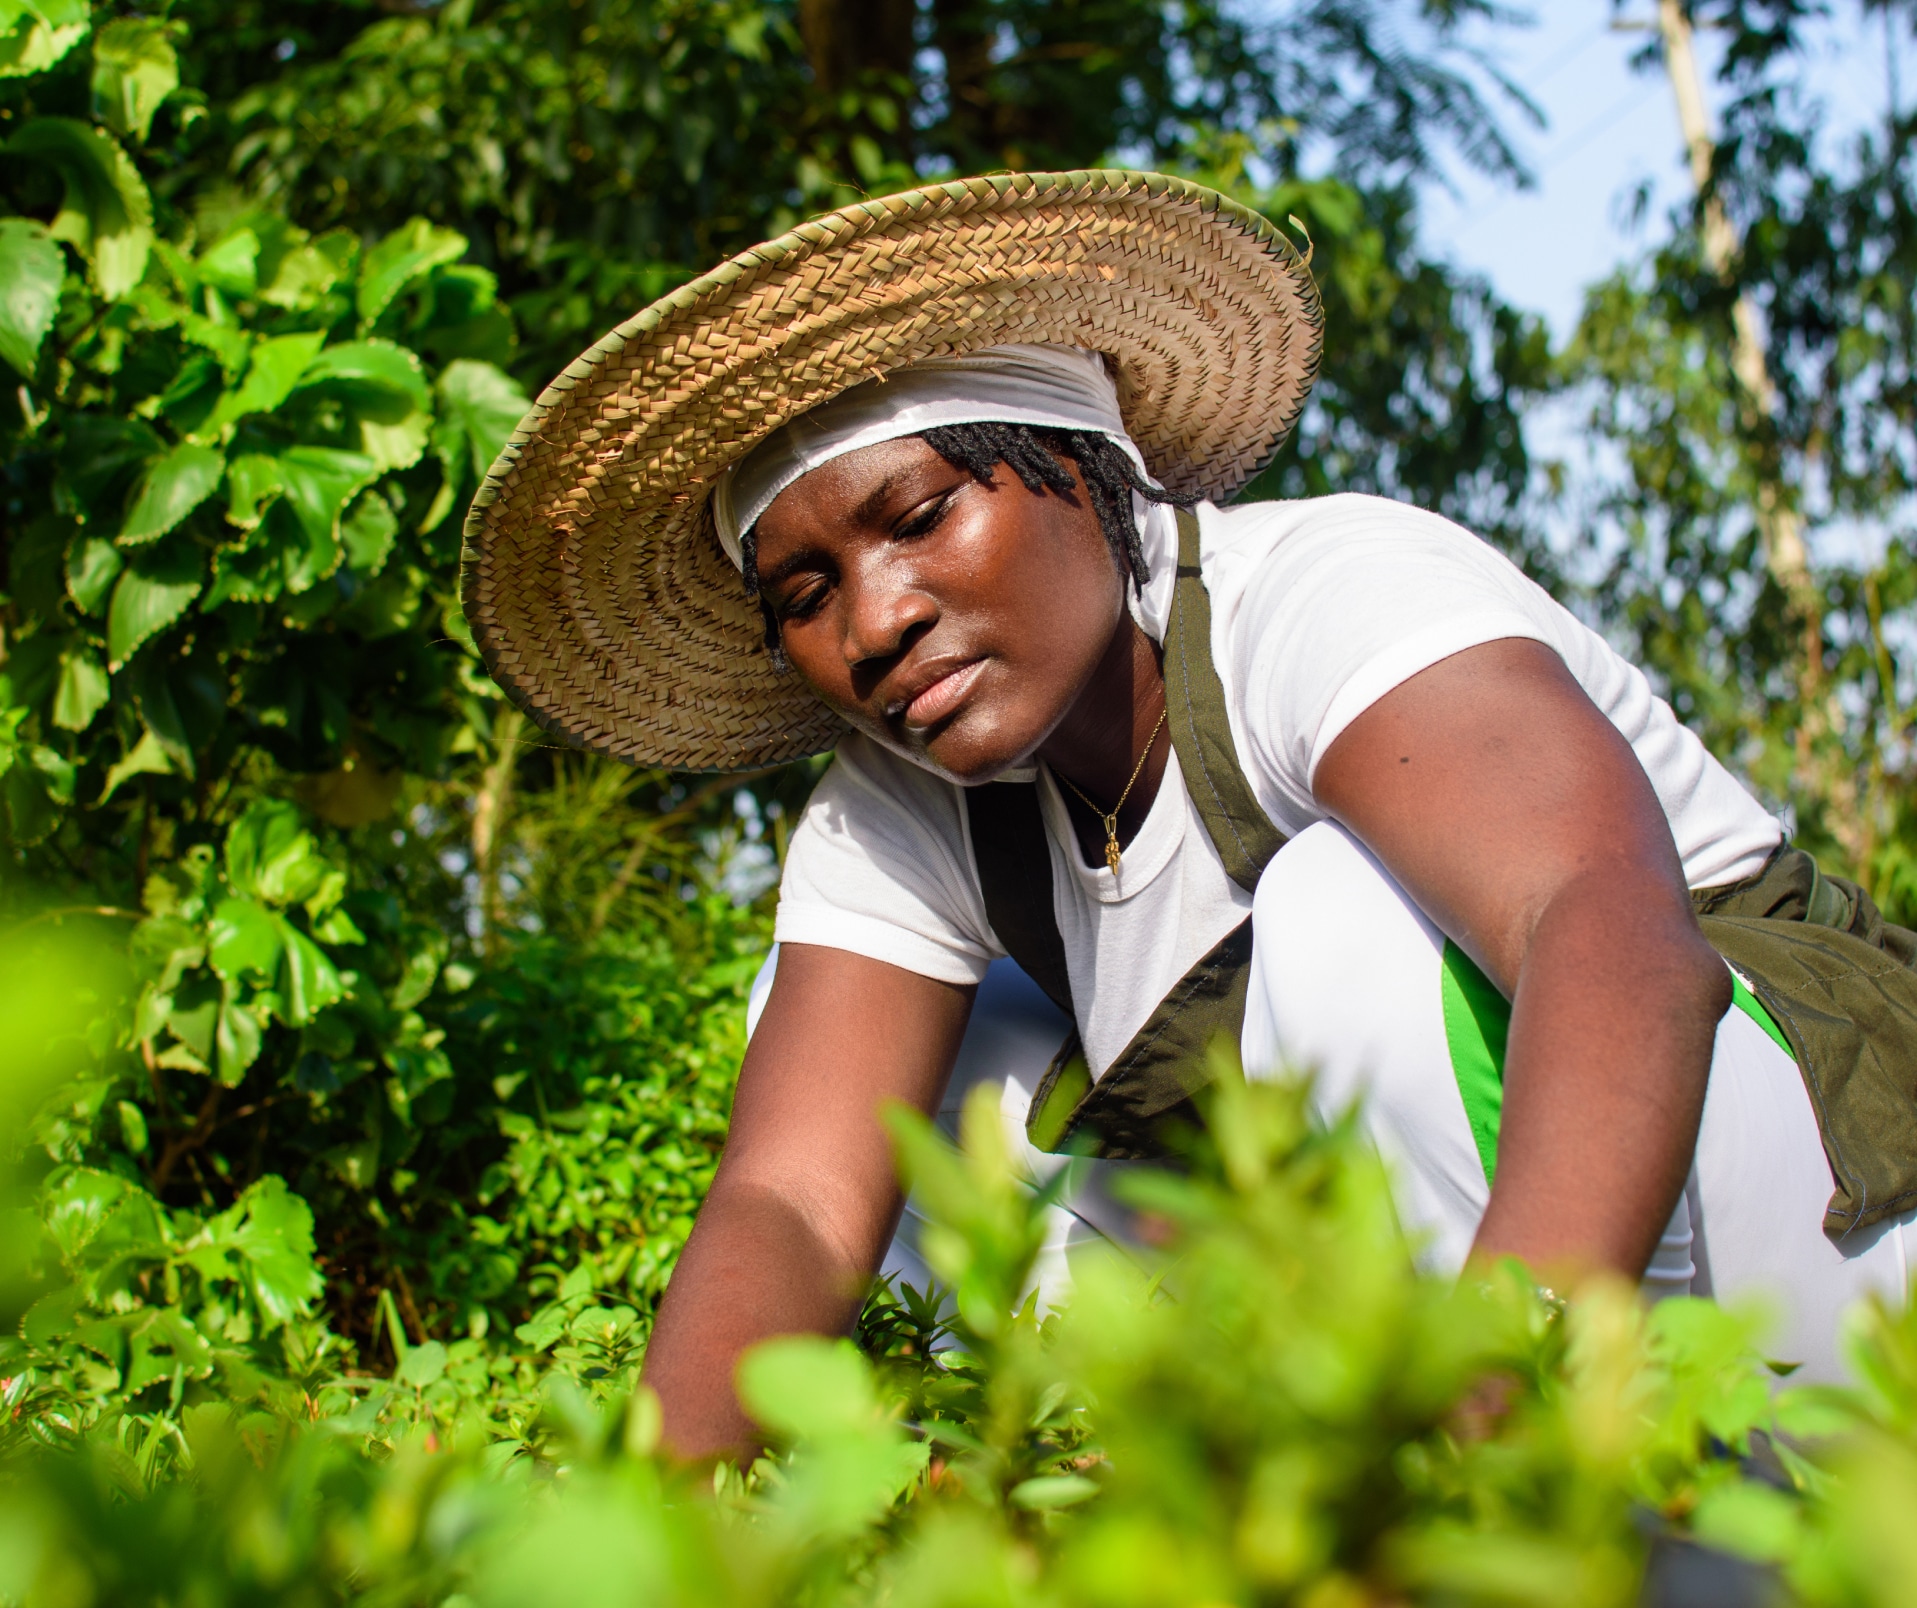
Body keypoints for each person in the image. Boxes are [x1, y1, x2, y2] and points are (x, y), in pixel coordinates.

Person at [461, 171, 1917, 1460]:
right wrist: (660, 1537)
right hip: (1449, 1317)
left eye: (918, 519)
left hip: (1802, 1216)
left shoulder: (1321, 592)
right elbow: (788, 1199)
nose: (878, 619)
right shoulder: (898, 815)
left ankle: (1547, 1486)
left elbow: (1608, 937)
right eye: (803, 594)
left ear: (1086, 475)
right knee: (949, 1078)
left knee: (1342, 921)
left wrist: (1488, 1423)